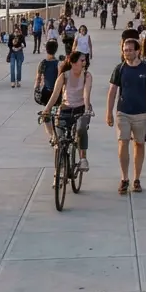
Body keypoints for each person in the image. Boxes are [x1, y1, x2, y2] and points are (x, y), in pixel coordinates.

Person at [107, 36, 146, 195]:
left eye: (129, 50)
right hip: (123, 112)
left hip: (141, 114)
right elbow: (112, 92)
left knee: (139, 144)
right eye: (124, 50)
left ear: (137, 51)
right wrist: (109, 112)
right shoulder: (119, 69)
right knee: (123, 143)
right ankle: (124, 178)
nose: (126, 53)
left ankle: (136, 179)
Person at [39, 50, 93, 184]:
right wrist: (46, 110)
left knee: (80, 129)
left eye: (85, 60)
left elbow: (86, 94)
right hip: (65, 110)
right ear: (73, 62)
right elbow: (55, 94)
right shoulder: (64, 76)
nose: (84, 62)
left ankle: (82, 159)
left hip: (81, 109)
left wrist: (86, 109)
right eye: (82, 60)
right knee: (59, 141)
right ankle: (58, 172)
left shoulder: (87, 76)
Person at [36, 40, 61, 104]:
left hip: (46, 91)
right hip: (56, 92)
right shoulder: (59, 64)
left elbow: (38, 78)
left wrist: (37, 88)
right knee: (54, 110)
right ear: (56, 50)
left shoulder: (43, 63)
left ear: (46, 50)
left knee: (47, 110)